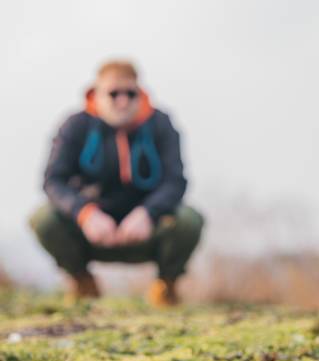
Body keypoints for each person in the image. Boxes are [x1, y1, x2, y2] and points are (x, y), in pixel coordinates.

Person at [30, 60, 204, 306]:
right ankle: (82, 282)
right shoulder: (75, 125)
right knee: (44, 219)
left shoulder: (161, 123)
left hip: (145, 229)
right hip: (92, 230)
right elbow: (53, 181)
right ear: (97, 94)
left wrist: (148, 213)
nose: (123, 100)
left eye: (130, 93)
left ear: (140, 93)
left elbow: (175, 181)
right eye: (113, 93)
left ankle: (167, 285)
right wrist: (85, 213)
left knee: (189, 220)